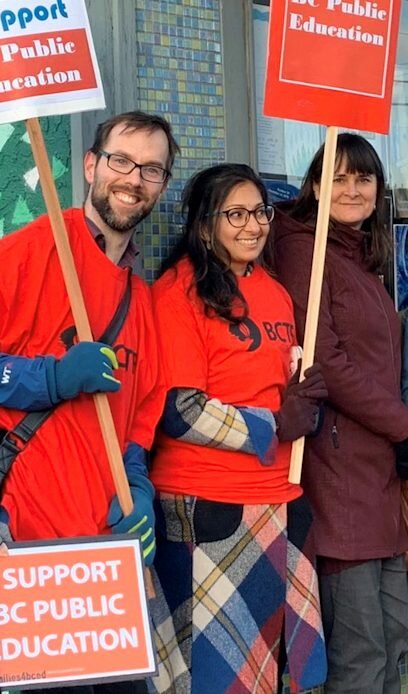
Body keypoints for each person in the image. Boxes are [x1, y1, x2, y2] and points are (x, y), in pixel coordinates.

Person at [0, 111, 185, 694]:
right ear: (91, 165)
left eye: (151, 169)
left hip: (105, 566)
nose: (133, 179)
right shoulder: (32, 251)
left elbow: (137, 423)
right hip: (23, 553)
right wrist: (50, 378)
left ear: (162, 185)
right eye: (121, 161)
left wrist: (138, 487)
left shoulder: (142, 300)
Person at [150, 164, 328, 692]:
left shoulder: (274, 291)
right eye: (236, 214)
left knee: (276, 674)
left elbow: (278, 392)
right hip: (210, 504)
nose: (253, 225)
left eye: (259, 212)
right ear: (205, 225)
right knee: (216, 677)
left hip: (281, 500)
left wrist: (303, 398)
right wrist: (275, 423)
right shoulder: (177, 292)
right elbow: (181, 410)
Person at [272, 133, 408, 694]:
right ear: (314, 186)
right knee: (361, 657)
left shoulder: (361, 254)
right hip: (338, 473)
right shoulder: (303, 249)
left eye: (363, 178)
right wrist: (403, 424)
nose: (352, 189)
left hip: (380, 475)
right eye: (338, 177)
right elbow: (325, 360)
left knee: (394, 642)